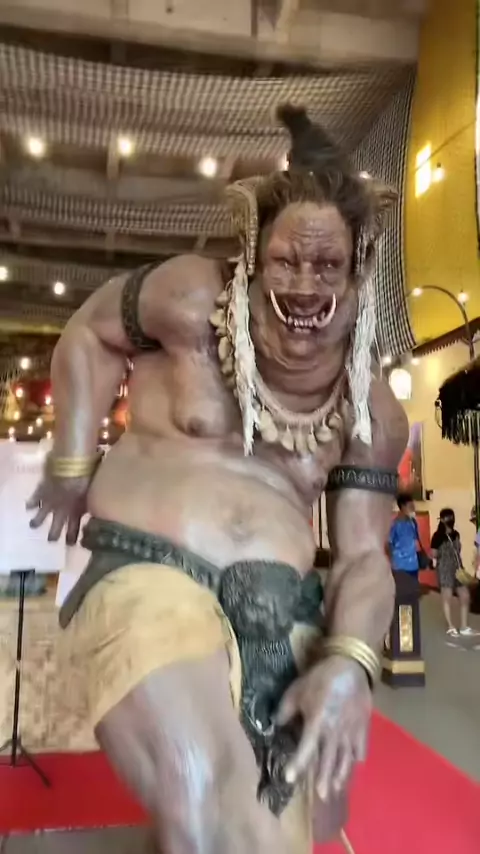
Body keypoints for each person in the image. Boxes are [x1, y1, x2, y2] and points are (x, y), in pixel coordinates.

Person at [27, 105, 408, 854]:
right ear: (256, 253)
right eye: (287, 262)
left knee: (296, 821)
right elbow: (91, 332)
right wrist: (70, 464)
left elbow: (365, 557)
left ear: (359, 265)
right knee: (199, 790)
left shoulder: (370, 408)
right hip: (149, 573)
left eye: (327, 265)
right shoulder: (191, 300)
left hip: (281, 606)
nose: (305, 286)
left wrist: (351, 661)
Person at [430, 508, 474, 638]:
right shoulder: (437, 537)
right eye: (448, 517)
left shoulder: (456, 534)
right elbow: (434, 554)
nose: (450, 520)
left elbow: (458, 550)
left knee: (465, 595)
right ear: (442, 519)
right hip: (444, 568)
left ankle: (464, 626)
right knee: (447, 596)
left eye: (451, 517)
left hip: (457, 567)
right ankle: (450, 626)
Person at [388, 493, 420, 590]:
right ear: (402, 506)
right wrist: (392, 561)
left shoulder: (413, 522)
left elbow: (416, 540)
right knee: (403, 592)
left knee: (412, 591)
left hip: (413, 564)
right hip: (400, 565)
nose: (413, 508)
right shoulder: (394, 525)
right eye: (410, 505)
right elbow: (389, 543)